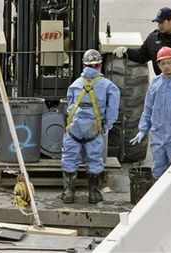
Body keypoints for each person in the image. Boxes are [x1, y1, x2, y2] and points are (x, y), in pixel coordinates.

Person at [61, 49, 120, 204]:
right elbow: (112, 110)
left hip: (75, 126)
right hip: (95, 126)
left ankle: (68, 193)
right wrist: (106, 125)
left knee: (69, 156)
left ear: (84, 65)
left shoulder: (75, 84)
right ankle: (93, 194)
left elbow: (69, 106)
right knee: (94, 158)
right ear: (100, 65)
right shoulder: (109, 86)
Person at [130, 46, 171, 180]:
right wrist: (143, 130)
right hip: (158, 136)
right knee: (158, 171)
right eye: (163, 63)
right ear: (158, 65)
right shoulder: (155, 84)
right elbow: (148, 109)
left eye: (169, 63)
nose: (166, 67)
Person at [113, 7, 171, 81]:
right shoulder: (153, 38)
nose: (159, 25)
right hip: (163, 84)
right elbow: (141, 56)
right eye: (158, 23)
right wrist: (126, 51)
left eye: (162, 22)